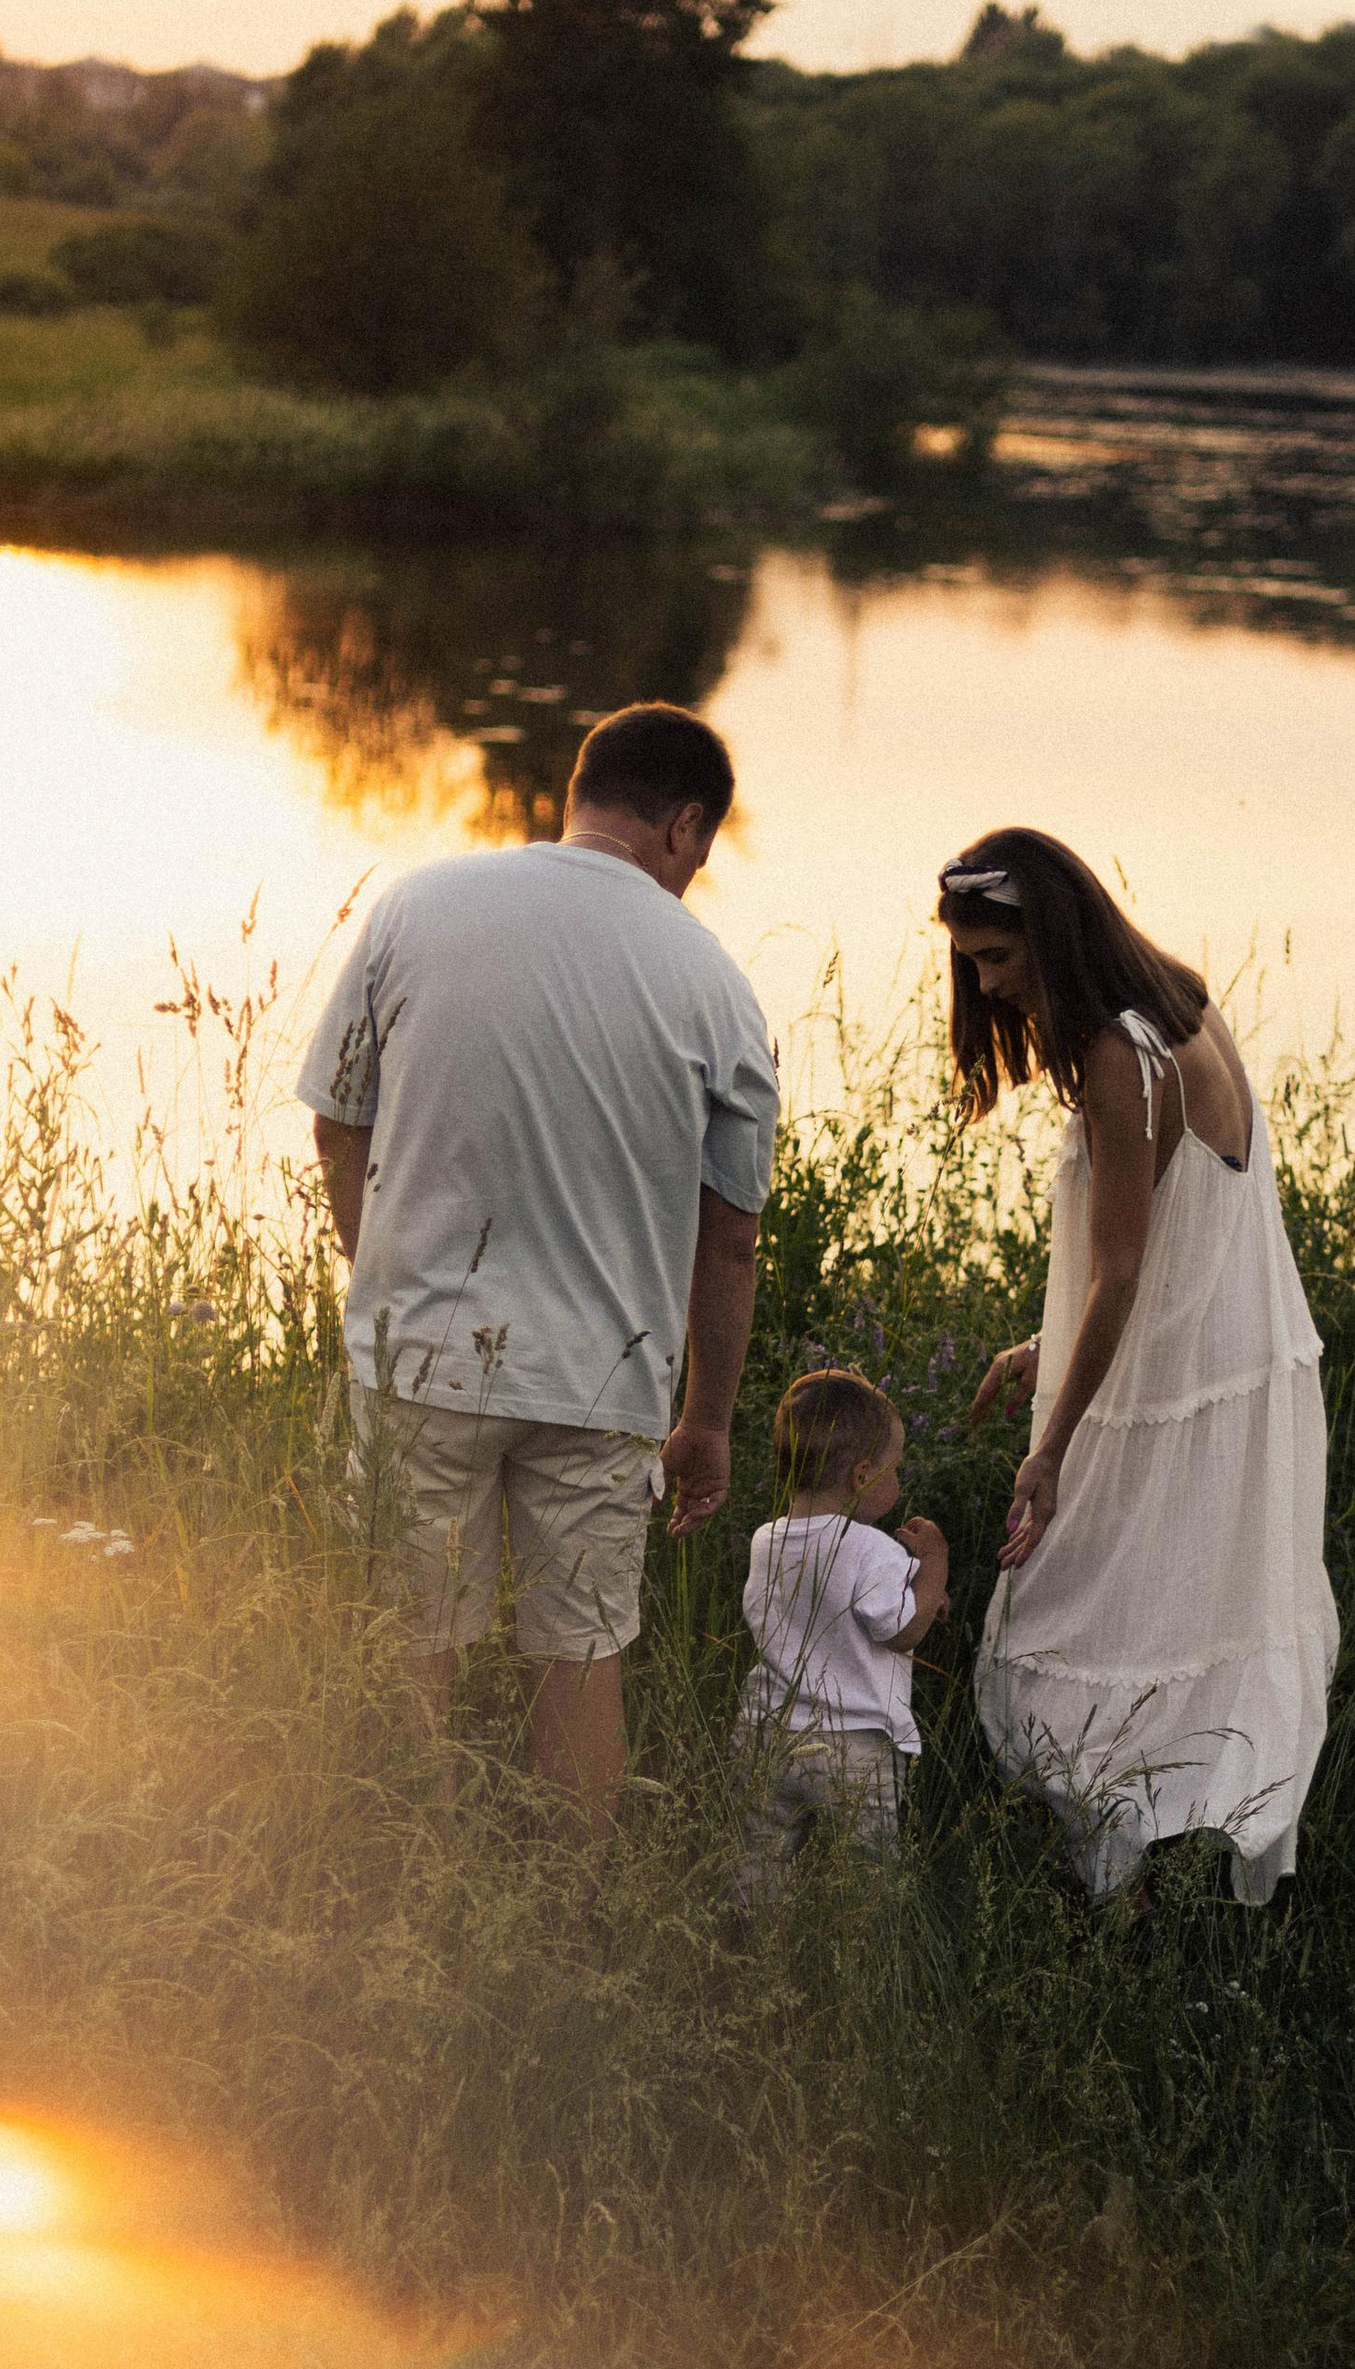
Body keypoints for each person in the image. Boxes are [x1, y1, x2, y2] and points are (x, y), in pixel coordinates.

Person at [296, 701, 778, 1847]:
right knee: (581, 1657)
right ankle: (572, 1925)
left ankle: (416, 1898)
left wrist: (387, 1279)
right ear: (684, 825)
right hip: (602, 1384)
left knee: (413, 1643)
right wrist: (705, 1419)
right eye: (700, 854)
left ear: (580, 793)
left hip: (419, 1357)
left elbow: (335, 1120)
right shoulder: (718, 987)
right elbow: (733, 1238)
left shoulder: (417, 904)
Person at [948, 827, 1336, 1906]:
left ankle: (1108, 1893)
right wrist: (1045, 1348)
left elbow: (1119, 1270)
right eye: (974, 965)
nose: (990, 988)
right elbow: (1180, 1234)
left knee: (1070, 1612)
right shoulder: (1183, 1005)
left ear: (1054, 937)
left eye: (998, 962)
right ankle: (1153, 1887)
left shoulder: (1121, 1058)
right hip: (1215, 1362)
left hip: (1170, 1388)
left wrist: (1051, 1451)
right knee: (1167, 1617)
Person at [737, 1368, 950, 1906]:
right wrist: (934, 1567)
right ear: (861, 1476)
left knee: (758, 1865)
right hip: (855, 1747)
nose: (897, 1484)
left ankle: (753, 1951)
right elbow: (904, 1631)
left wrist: (916, 1588)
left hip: (766, 1733)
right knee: (871, 1882)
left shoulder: (766, 1541)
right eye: (893, 1470)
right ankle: (867, 1961)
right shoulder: (872, 1547)